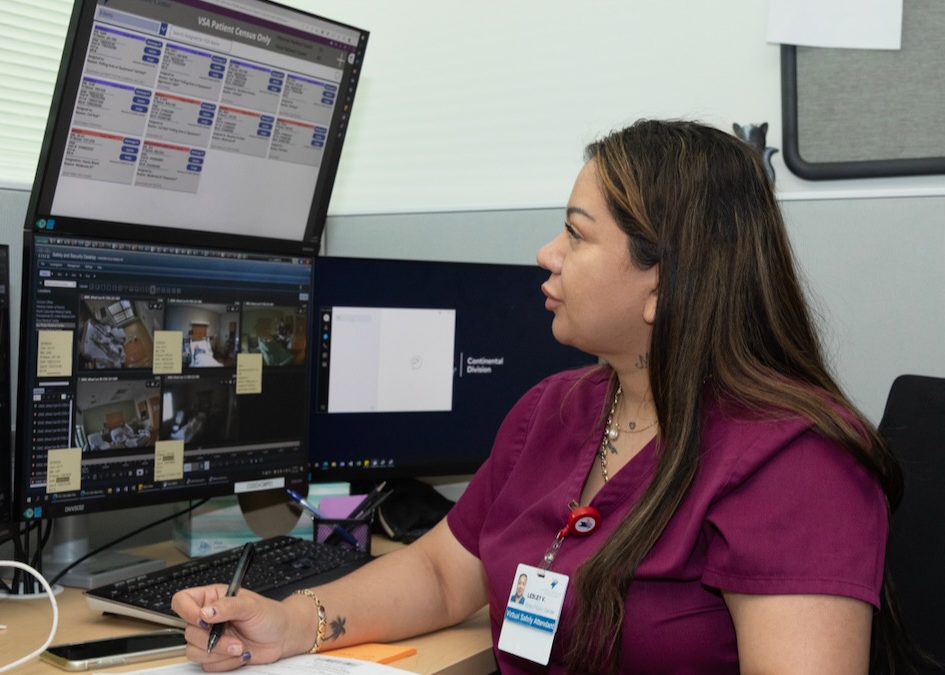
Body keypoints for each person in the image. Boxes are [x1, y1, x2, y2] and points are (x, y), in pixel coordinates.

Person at [171, 120, 912, 674]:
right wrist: (293, 622)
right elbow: (440, 573)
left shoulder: (798, 466)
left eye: (576, 234)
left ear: (662, 283)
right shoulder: (556, 409)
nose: (547, 254)